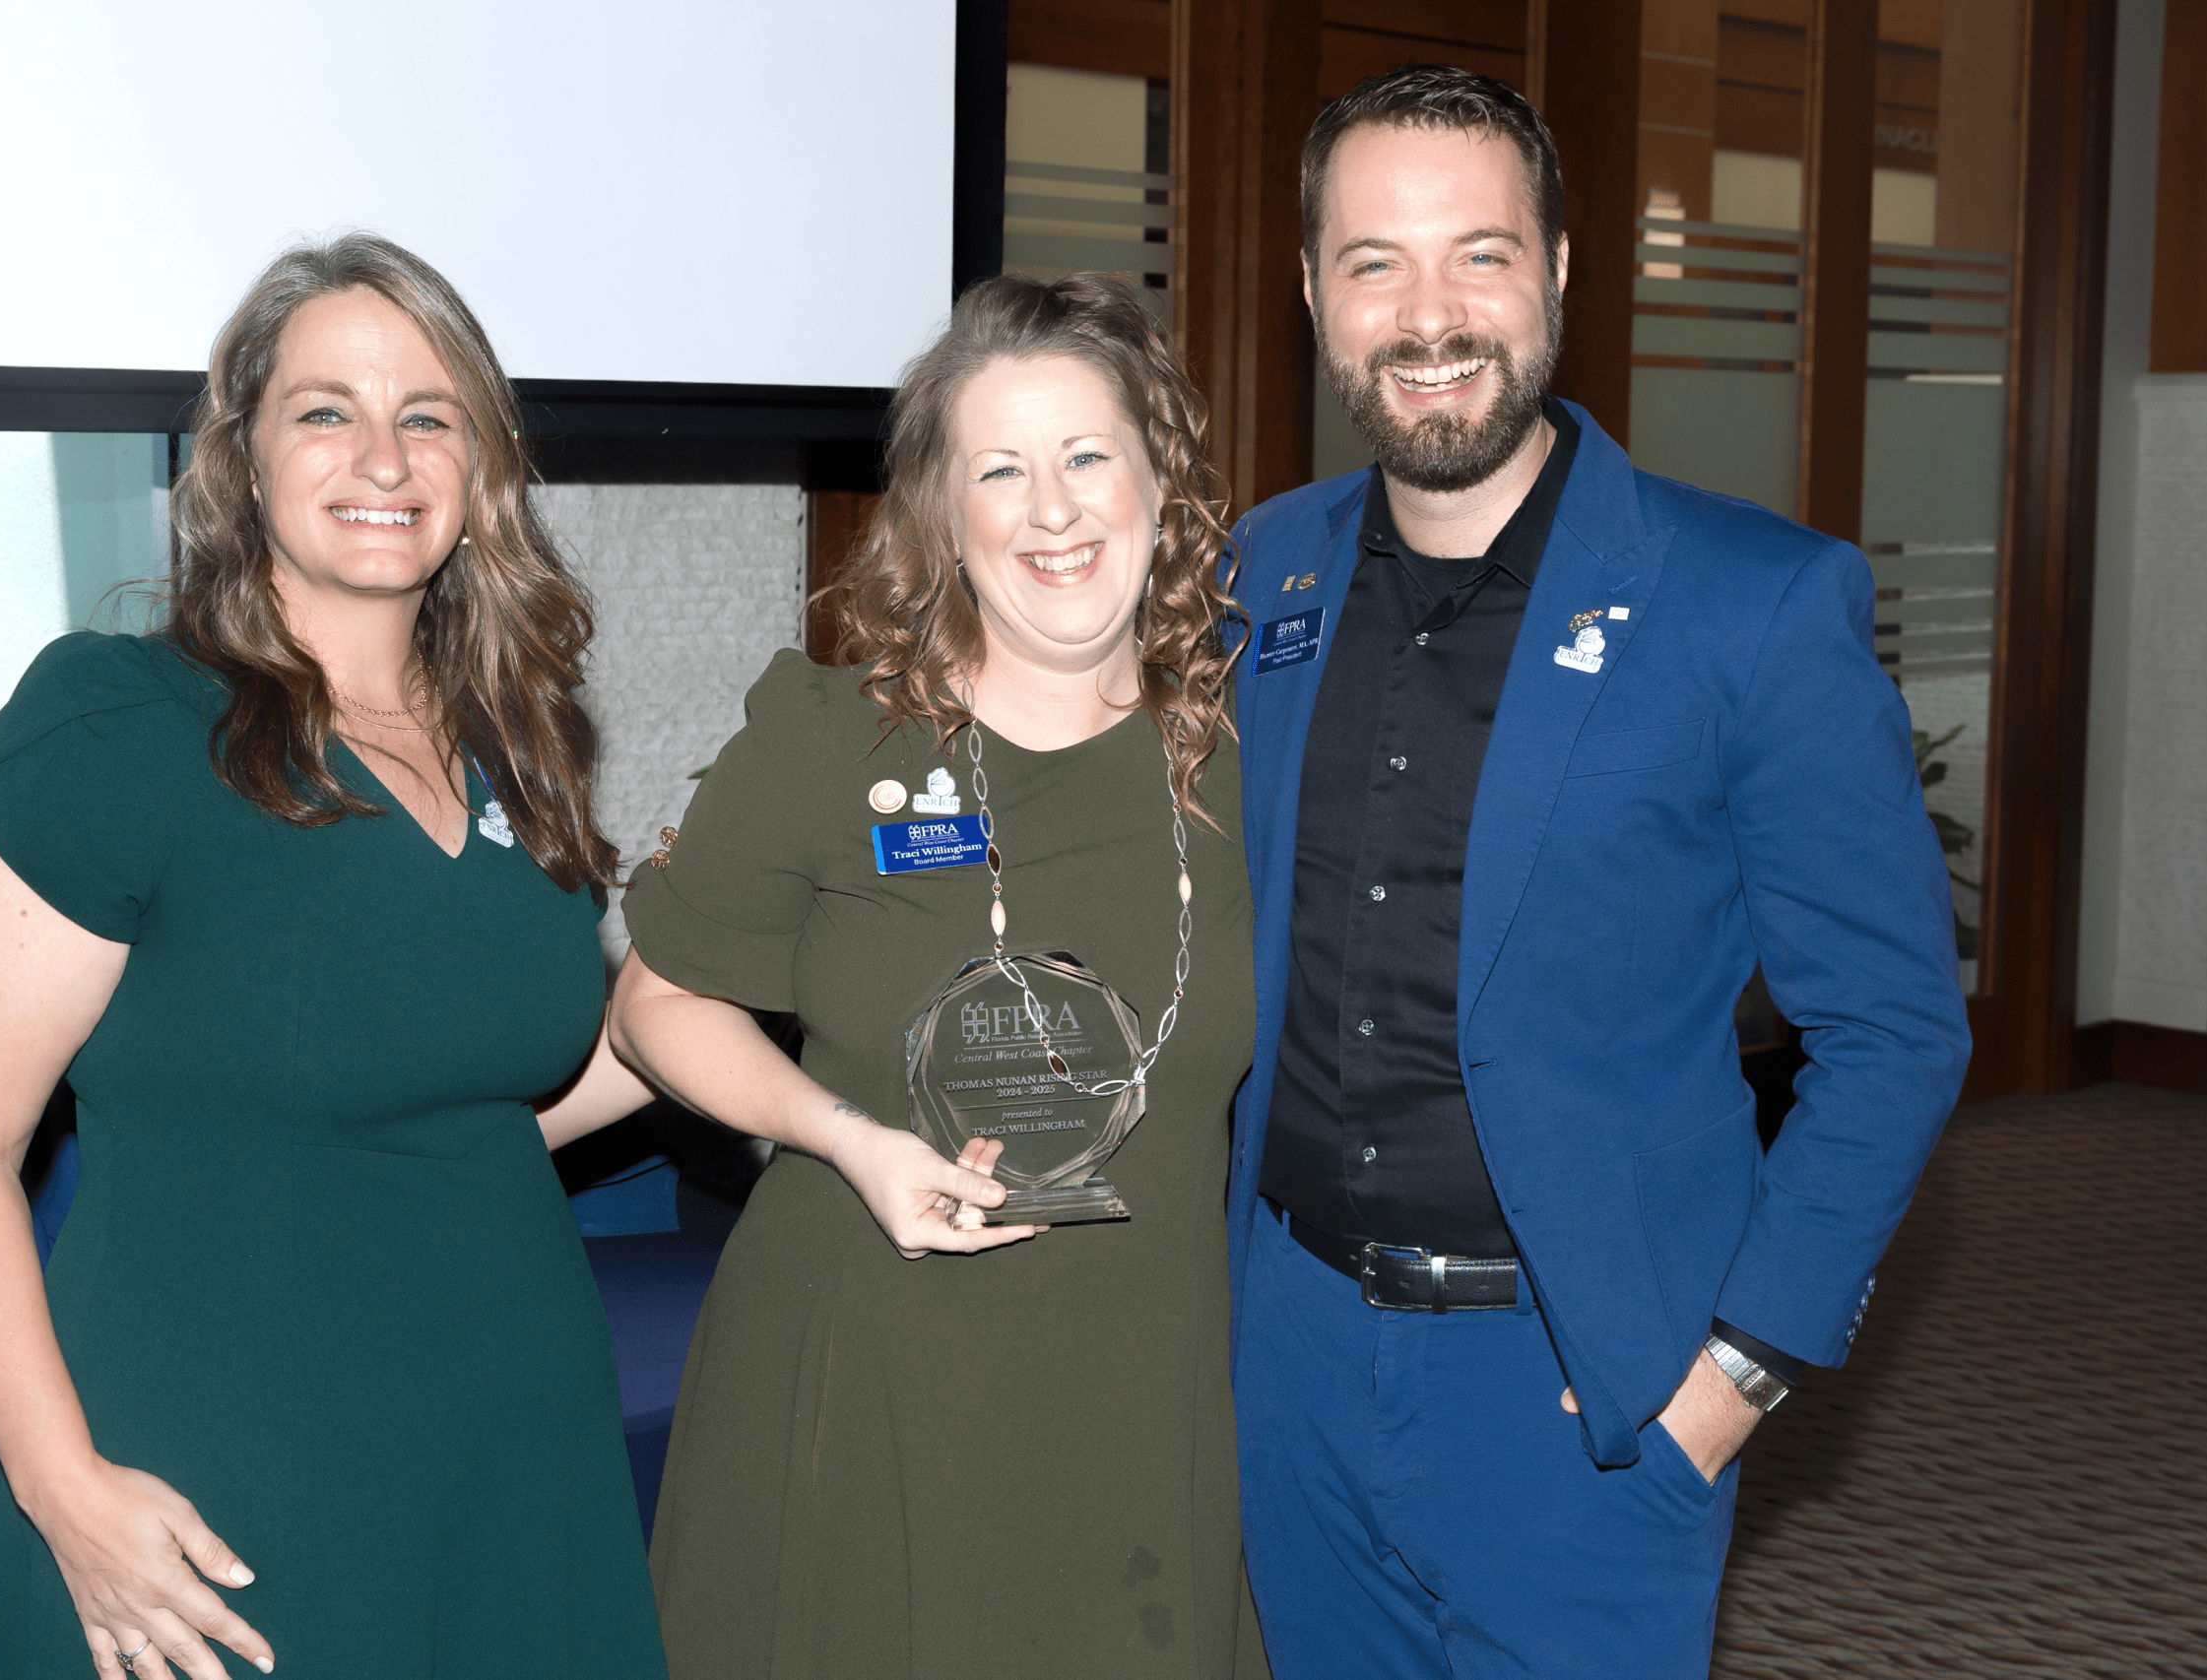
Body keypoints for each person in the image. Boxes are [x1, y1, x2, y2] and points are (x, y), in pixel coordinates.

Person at [1222, 66, 1973, 1678]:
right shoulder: (1257, 572)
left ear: (1559, 269)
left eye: (1480, 254)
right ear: (1314, 291)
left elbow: (1897, 1027)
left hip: (1583, 1389)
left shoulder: (1754, 603)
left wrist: (1738, 1370)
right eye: (1375, 262)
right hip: (1289, 1357)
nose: (1430, 315)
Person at [0, 234, 670, 1680]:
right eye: (326, 411)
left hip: (514, 1462)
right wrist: (63, 1486)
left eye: (428, 416)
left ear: (480, 469)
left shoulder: (518, 745)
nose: (383, 457)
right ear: (243, 459)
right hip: (224, 1480)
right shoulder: (117, 728)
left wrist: (755, 957)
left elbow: (483, 1107)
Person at [611, 274, 1268, 1679]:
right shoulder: (826, 742)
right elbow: (659, 1003)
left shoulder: (1247, 762)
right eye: (1000, 471)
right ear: (942, 519)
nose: (1053, 509)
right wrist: (847, 1138)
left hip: (1141, 1391)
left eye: (1088, 456)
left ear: (1160, 486)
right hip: (865, 1368)